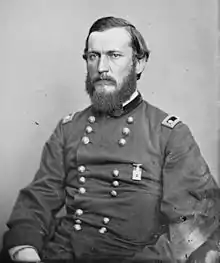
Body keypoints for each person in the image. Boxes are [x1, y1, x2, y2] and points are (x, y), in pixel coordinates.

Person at [1, 16, 220, 263]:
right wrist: (24, 249)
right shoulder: (69, 129)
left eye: (114, 55)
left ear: (139, 63)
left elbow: (193, 223)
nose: (102, 67)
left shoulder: (170, 134)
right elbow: (37, 200)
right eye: (93, 56)